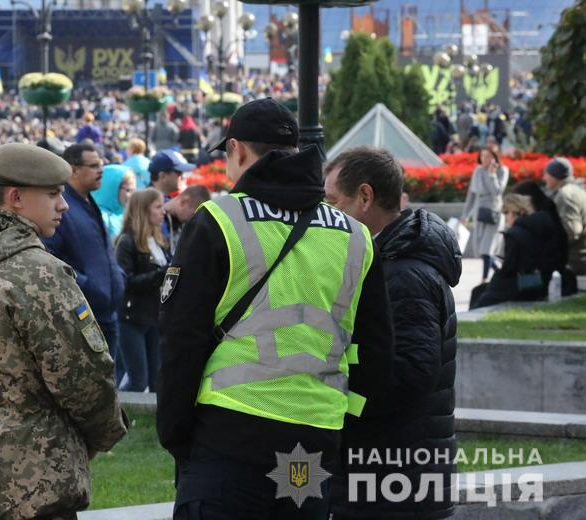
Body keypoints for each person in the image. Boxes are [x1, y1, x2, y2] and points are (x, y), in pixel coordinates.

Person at [157, 99, 394, 519]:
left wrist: (177, 436)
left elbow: (181, 341)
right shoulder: (356, 236)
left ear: (238, 150)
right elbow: (376, 353)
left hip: (227, 439)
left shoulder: (218, 221)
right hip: (313, 441)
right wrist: (343, 426)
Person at [0, 143, 127, 520]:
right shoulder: (39, 274)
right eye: (52, 195)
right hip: (41, 481)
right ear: (16, 198)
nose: (63, 205)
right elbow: (83, 378)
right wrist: (103, 434)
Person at [323, 146, 461, 520]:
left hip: (392, 478)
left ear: (365, 197)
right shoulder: (388, 262)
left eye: (333, 203)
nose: (326, 216)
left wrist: (336, 406)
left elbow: (409, 373)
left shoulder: (402, 275)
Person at [41, 143, 126, 384]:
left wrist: (118, 278)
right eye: (94, 165)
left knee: (108, 383)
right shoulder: (62, 207)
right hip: (83, 313)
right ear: (73, 170)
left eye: (102, 164)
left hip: (107, 310)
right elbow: (51, 258)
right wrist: (89, 286)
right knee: (88, 385)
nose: (101, 170)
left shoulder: (88, 201)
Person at [115, 188, 170, 392]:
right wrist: (160, 274)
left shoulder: (159, 240)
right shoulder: (127, 241)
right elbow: (125, 281)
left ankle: (151, 422)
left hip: (154, 317)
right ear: (143, 210)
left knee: (157, 380)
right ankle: (119, 416)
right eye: (158, 207)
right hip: (132, 318)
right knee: (138, 380)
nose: (163, 211)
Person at [471, 194, 560, 309]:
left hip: (524, 285)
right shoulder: (536, 228)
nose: (505, 217)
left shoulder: (514, 234)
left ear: (514, 212)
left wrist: (497, 276)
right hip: (540, 281)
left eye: (506, 213)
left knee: (481, 295)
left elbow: (509, 268)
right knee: (481, 290)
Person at [461, 147, 509, 283]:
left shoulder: (502, 170)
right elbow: (471, 195)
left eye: (488, 156)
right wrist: (465, 215)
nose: (485, 159)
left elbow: (497, 191)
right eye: (482, 156)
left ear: (494, 157)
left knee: (487, 248)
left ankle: (484, 279)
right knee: (482, 251)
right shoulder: (477, 170)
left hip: (494, 214)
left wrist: (491, 174)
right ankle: (502, 272)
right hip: (479, 213)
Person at [543, 158, 586, 275]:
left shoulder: (565, 195)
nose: (544, 178)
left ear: (555, 176)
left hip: (575, 260)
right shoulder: (577, 190)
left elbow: (573, 231)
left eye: (547, 174)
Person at [92, 164, 135, 241]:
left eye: (134, 191)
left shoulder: (121, 214)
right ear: (112, 189)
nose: (132, 196)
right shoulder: (100, 218)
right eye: (129, 190)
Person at [163, 184, 211, 253]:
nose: (194, 220)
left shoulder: (179, 222)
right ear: (183, 202)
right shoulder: (155, 219)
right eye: (193, 215)